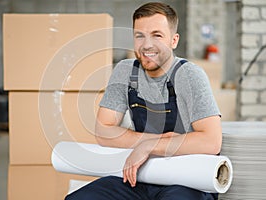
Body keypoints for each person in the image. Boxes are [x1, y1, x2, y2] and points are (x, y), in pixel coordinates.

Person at [65, 2, 222, 200]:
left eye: (157, 35)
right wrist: (156, 140)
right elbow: (103, 132)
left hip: (186, 180)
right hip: (139, 175)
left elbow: (211, 141)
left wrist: (148, 146)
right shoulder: (125, 71)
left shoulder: (189, 75)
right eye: (140, 36)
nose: (147, 45)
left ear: (174, 40)